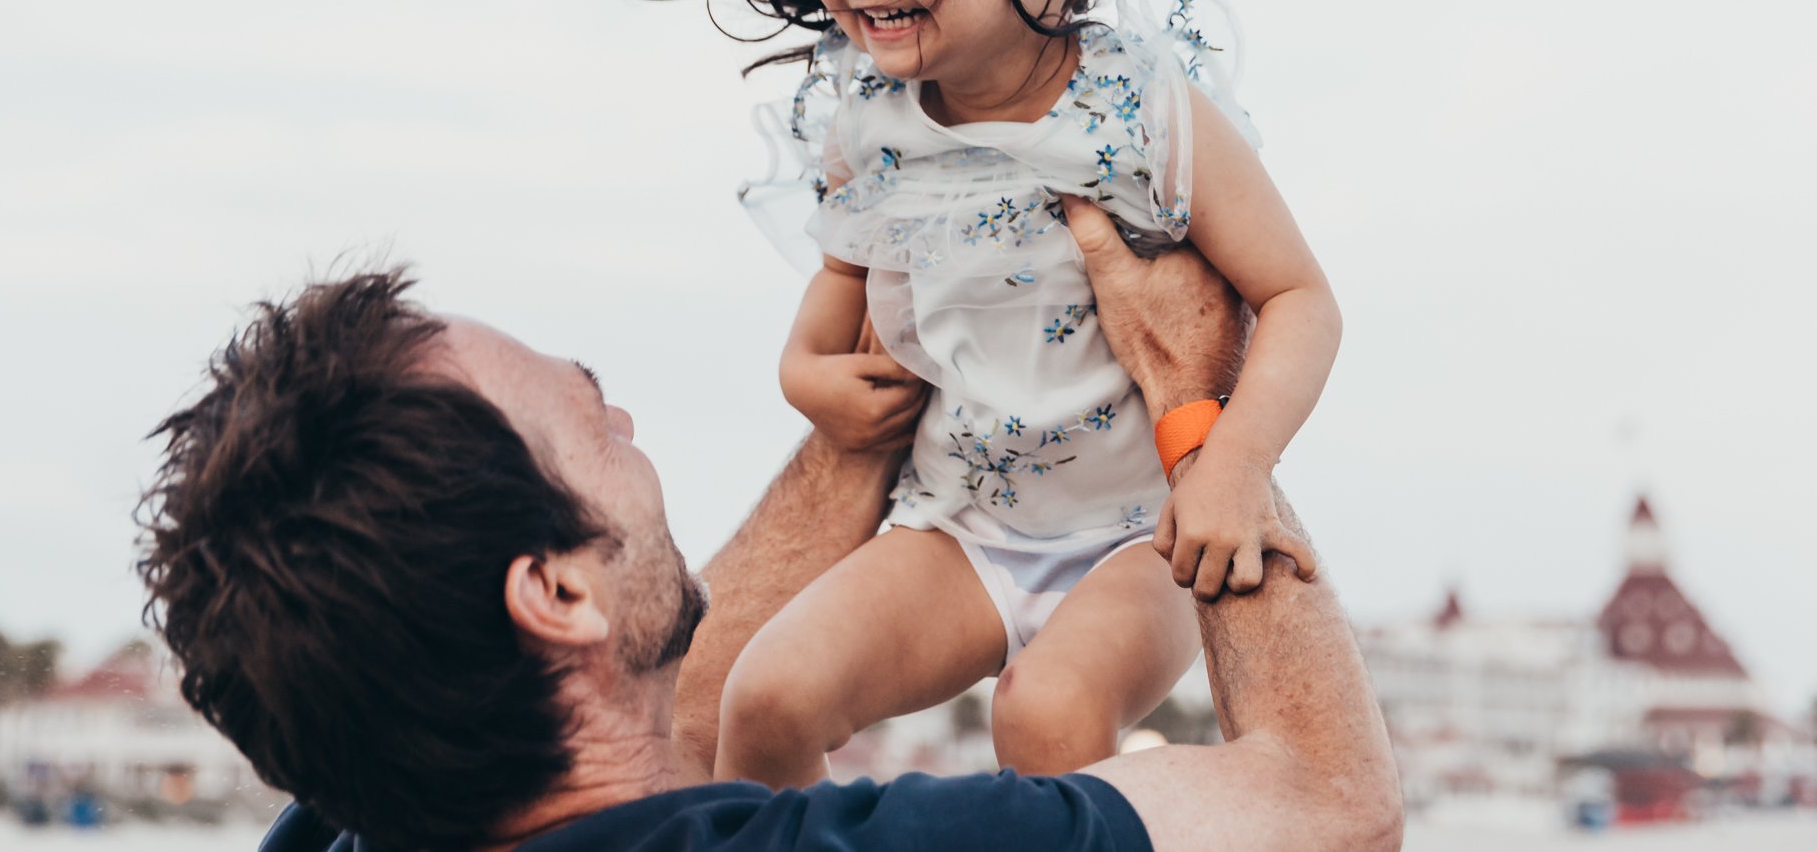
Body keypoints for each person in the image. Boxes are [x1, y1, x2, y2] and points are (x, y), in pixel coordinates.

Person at [523, 0, 1343, 780]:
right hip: (960, 528)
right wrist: (809, 381)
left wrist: (1235, 467)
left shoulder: (1144, 110)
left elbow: (1298, 298)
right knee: (764, 695)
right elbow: (828, 312)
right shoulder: (871, 121)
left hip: (1139, 533)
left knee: (1044, 717)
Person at [135, 208, 1401, 852]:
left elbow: (651, 715)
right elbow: (1326, 808)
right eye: (588, 411)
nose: (623, 413)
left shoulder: (345, 826)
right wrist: (1195, 406)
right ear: (553, 594)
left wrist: (875, 415)